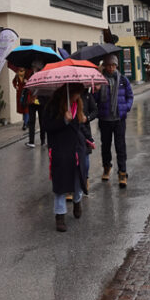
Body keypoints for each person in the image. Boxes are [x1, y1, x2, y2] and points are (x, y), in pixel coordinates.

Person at [41, 83, 89, 231]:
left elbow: (81, 128)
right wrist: (64, 121)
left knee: (77, 179)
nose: (78, 97)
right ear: (69, 92)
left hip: (76, 147)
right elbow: (46, 126)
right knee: (61, 183)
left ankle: (77, 201)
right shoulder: (52, 106)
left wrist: (88, 139)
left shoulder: (78, 105)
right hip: (60, 149)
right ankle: (60, 216)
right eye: (76, 94)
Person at [94, 54, 134, 187]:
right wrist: (96, 90)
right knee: (105, 146)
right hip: (105, 119)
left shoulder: (122, 79)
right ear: (104, 66)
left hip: (119, 119)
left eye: (113, 65)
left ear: (116, 66)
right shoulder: (100, 80)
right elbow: (93, 100)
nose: (111, 68)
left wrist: (126, 108)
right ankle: (107, 167)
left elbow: (130, 95)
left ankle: (122, 173)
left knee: (120, 146)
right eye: (108, 65)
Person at [26, 60, 46, 147]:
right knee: (31, 121)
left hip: (41, 101)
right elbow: (28, 88)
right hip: (32, 101)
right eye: (32, 66)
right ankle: (31, 141)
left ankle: (43, 140)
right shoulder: (31, 74)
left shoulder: (43, 75)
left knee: (42, 121)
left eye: (34, 66)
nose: (33, 68)